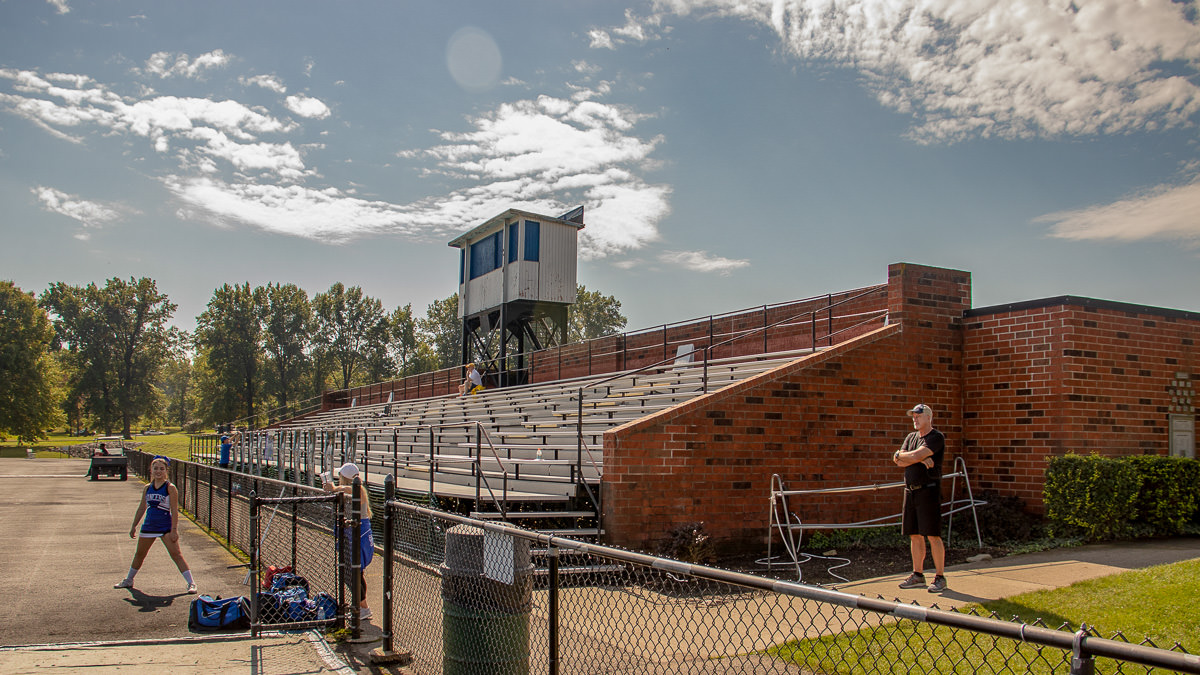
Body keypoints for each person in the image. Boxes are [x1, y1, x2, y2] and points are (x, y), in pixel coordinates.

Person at [114, 456, 197, 594]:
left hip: (165, 526)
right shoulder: (148, 488)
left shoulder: (170, 488)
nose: (158, 471)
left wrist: (174, 530)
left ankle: (191, 583)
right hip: (149, 526)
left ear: (166, 471)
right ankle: (129, 579)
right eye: (155, 468)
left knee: (176, 554)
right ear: (151, 470)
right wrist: (134, 525)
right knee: (140, 554)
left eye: (161, 469)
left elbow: (174, 511)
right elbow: (142, 508)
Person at [892, 403, 948, 593]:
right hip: (910, 491)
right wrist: (916, 458)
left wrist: (911, 456)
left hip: (928, 490)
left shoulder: (936, 437)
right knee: (914, 535)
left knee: (932, 535)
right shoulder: (911, 437)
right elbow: (897, 460)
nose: (915, 419)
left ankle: (940, 577)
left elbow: (914, 454)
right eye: (913, 416)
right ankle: (918, 575)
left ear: (928, 417)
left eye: (918, 415)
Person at [322, 462, 374, 620]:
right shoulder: (351, 492)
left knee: (353, 572)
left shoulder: (358, 490)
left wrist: (335, 488)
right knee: (353, 572)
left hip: (359, 536)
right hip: (354, 535)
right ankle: (360, 606)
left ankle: (363, 607)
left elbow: (352, 489)